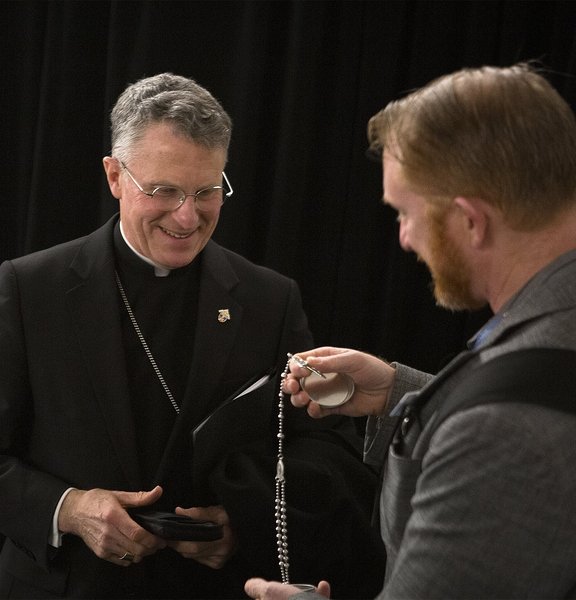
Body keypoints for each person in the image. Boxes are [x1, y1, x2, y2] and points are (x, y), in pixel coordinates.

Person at [0, 72, 385, 599]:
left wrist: (242, 520)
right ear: (113, 176)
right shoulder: (32, 288)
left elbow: (322, 449)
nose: (187, 216)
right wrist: (70, 509)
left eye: (206, 191)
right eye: (163, 191)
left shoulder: (270, 299)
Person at [245, 63, 576, 600]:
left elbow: (511, 427)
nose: (403, 239)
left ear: (471, 221)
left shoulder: (502, 431)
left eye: (405, 213)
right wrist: (397, 395)